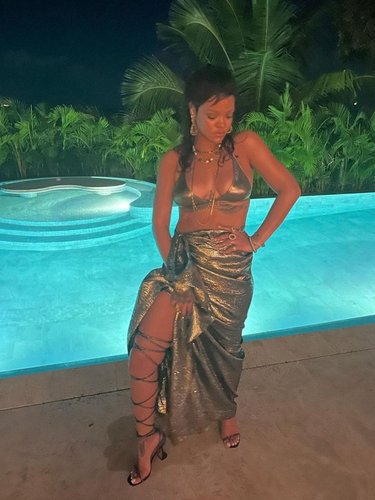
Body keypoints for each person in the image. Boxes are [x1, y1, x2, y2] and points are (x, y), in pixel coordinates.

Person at [126, 65, 301, 486]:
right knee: (144, 353)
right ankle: (146, 438)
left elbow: (290, 189)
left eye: (229, 115)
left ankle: (226, 412)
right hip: (184, 266)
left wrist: (254, 240)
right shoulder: (172, 161)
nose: (223, 124)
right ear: (192, 112)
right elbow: (160, 226)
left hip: (230, 273)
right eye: (213, 115)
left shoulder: (246, 146)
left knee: (226, 348)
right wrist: (179, 278)